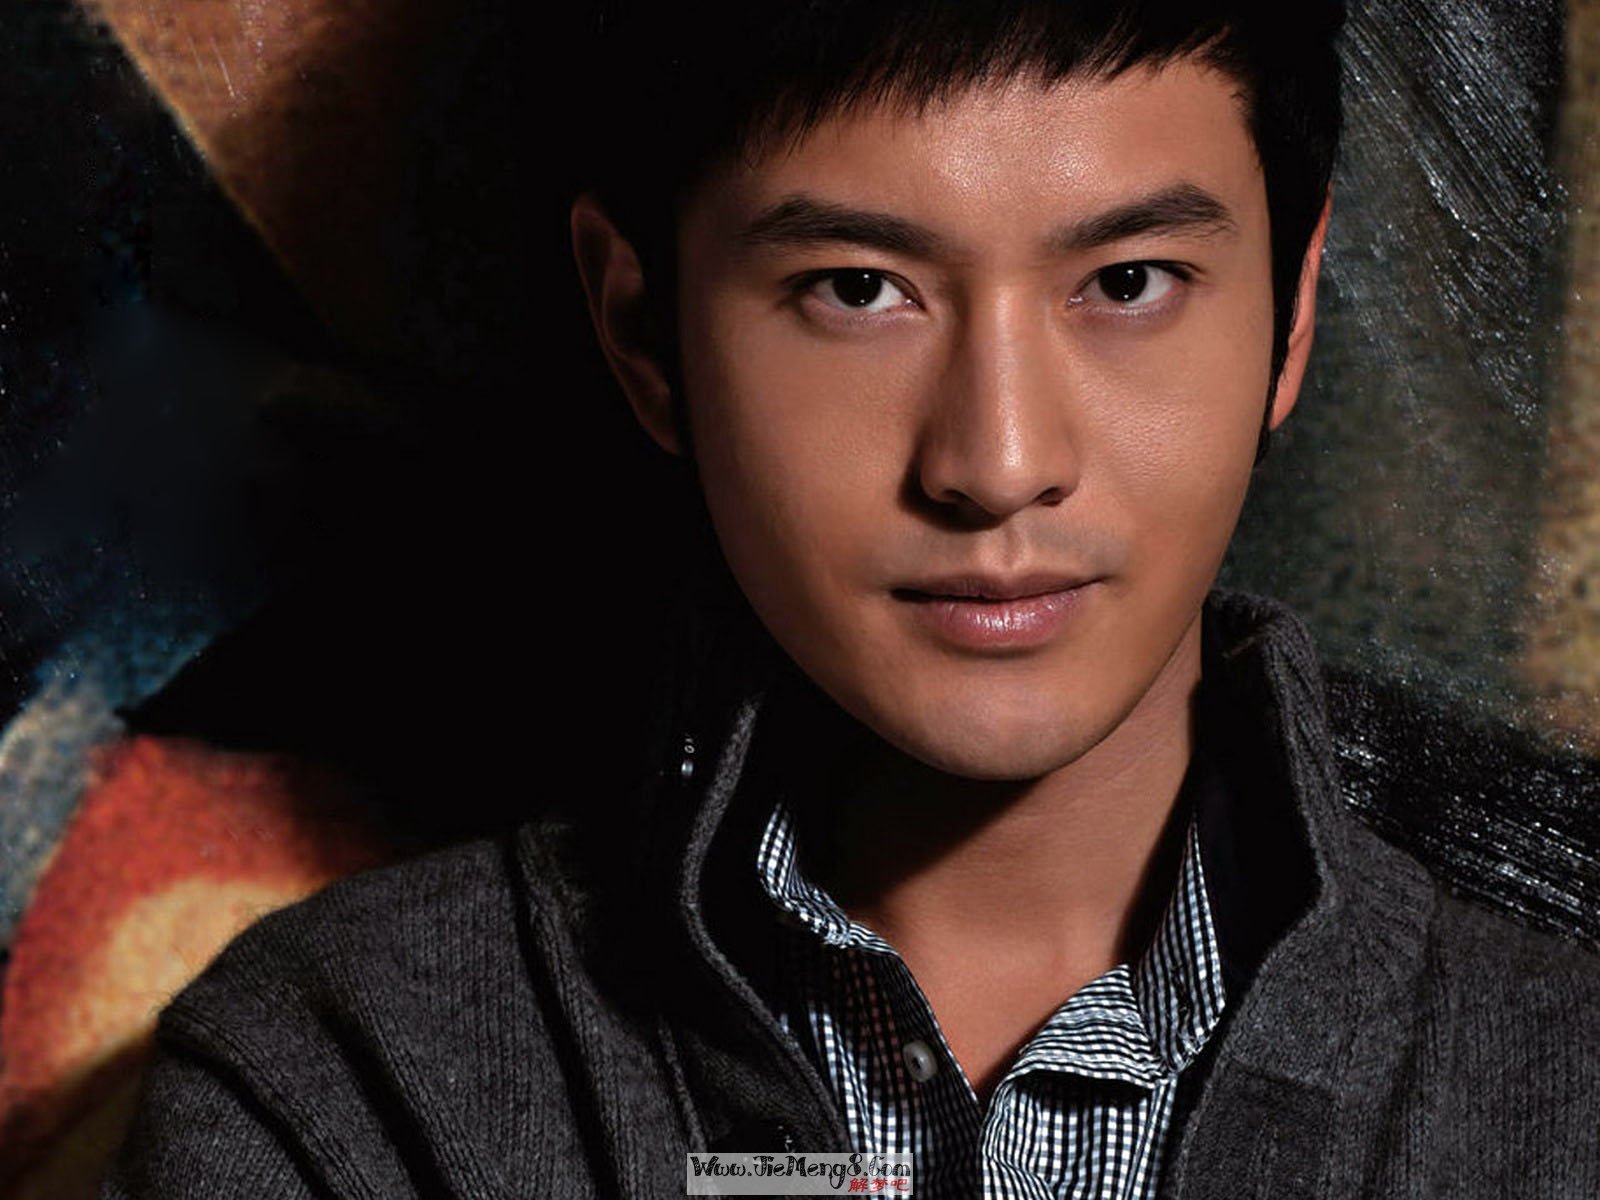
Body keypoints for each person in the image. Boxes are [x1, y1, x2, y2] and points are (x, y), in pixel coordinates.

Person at [101, 2, 1600, 1197]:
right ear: (643, 330)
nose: (997, 463)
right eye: (859, 289)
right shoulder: (353, 1095)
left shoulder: (1563, 1093)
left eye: (1130, 281)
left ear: (1293, 310)